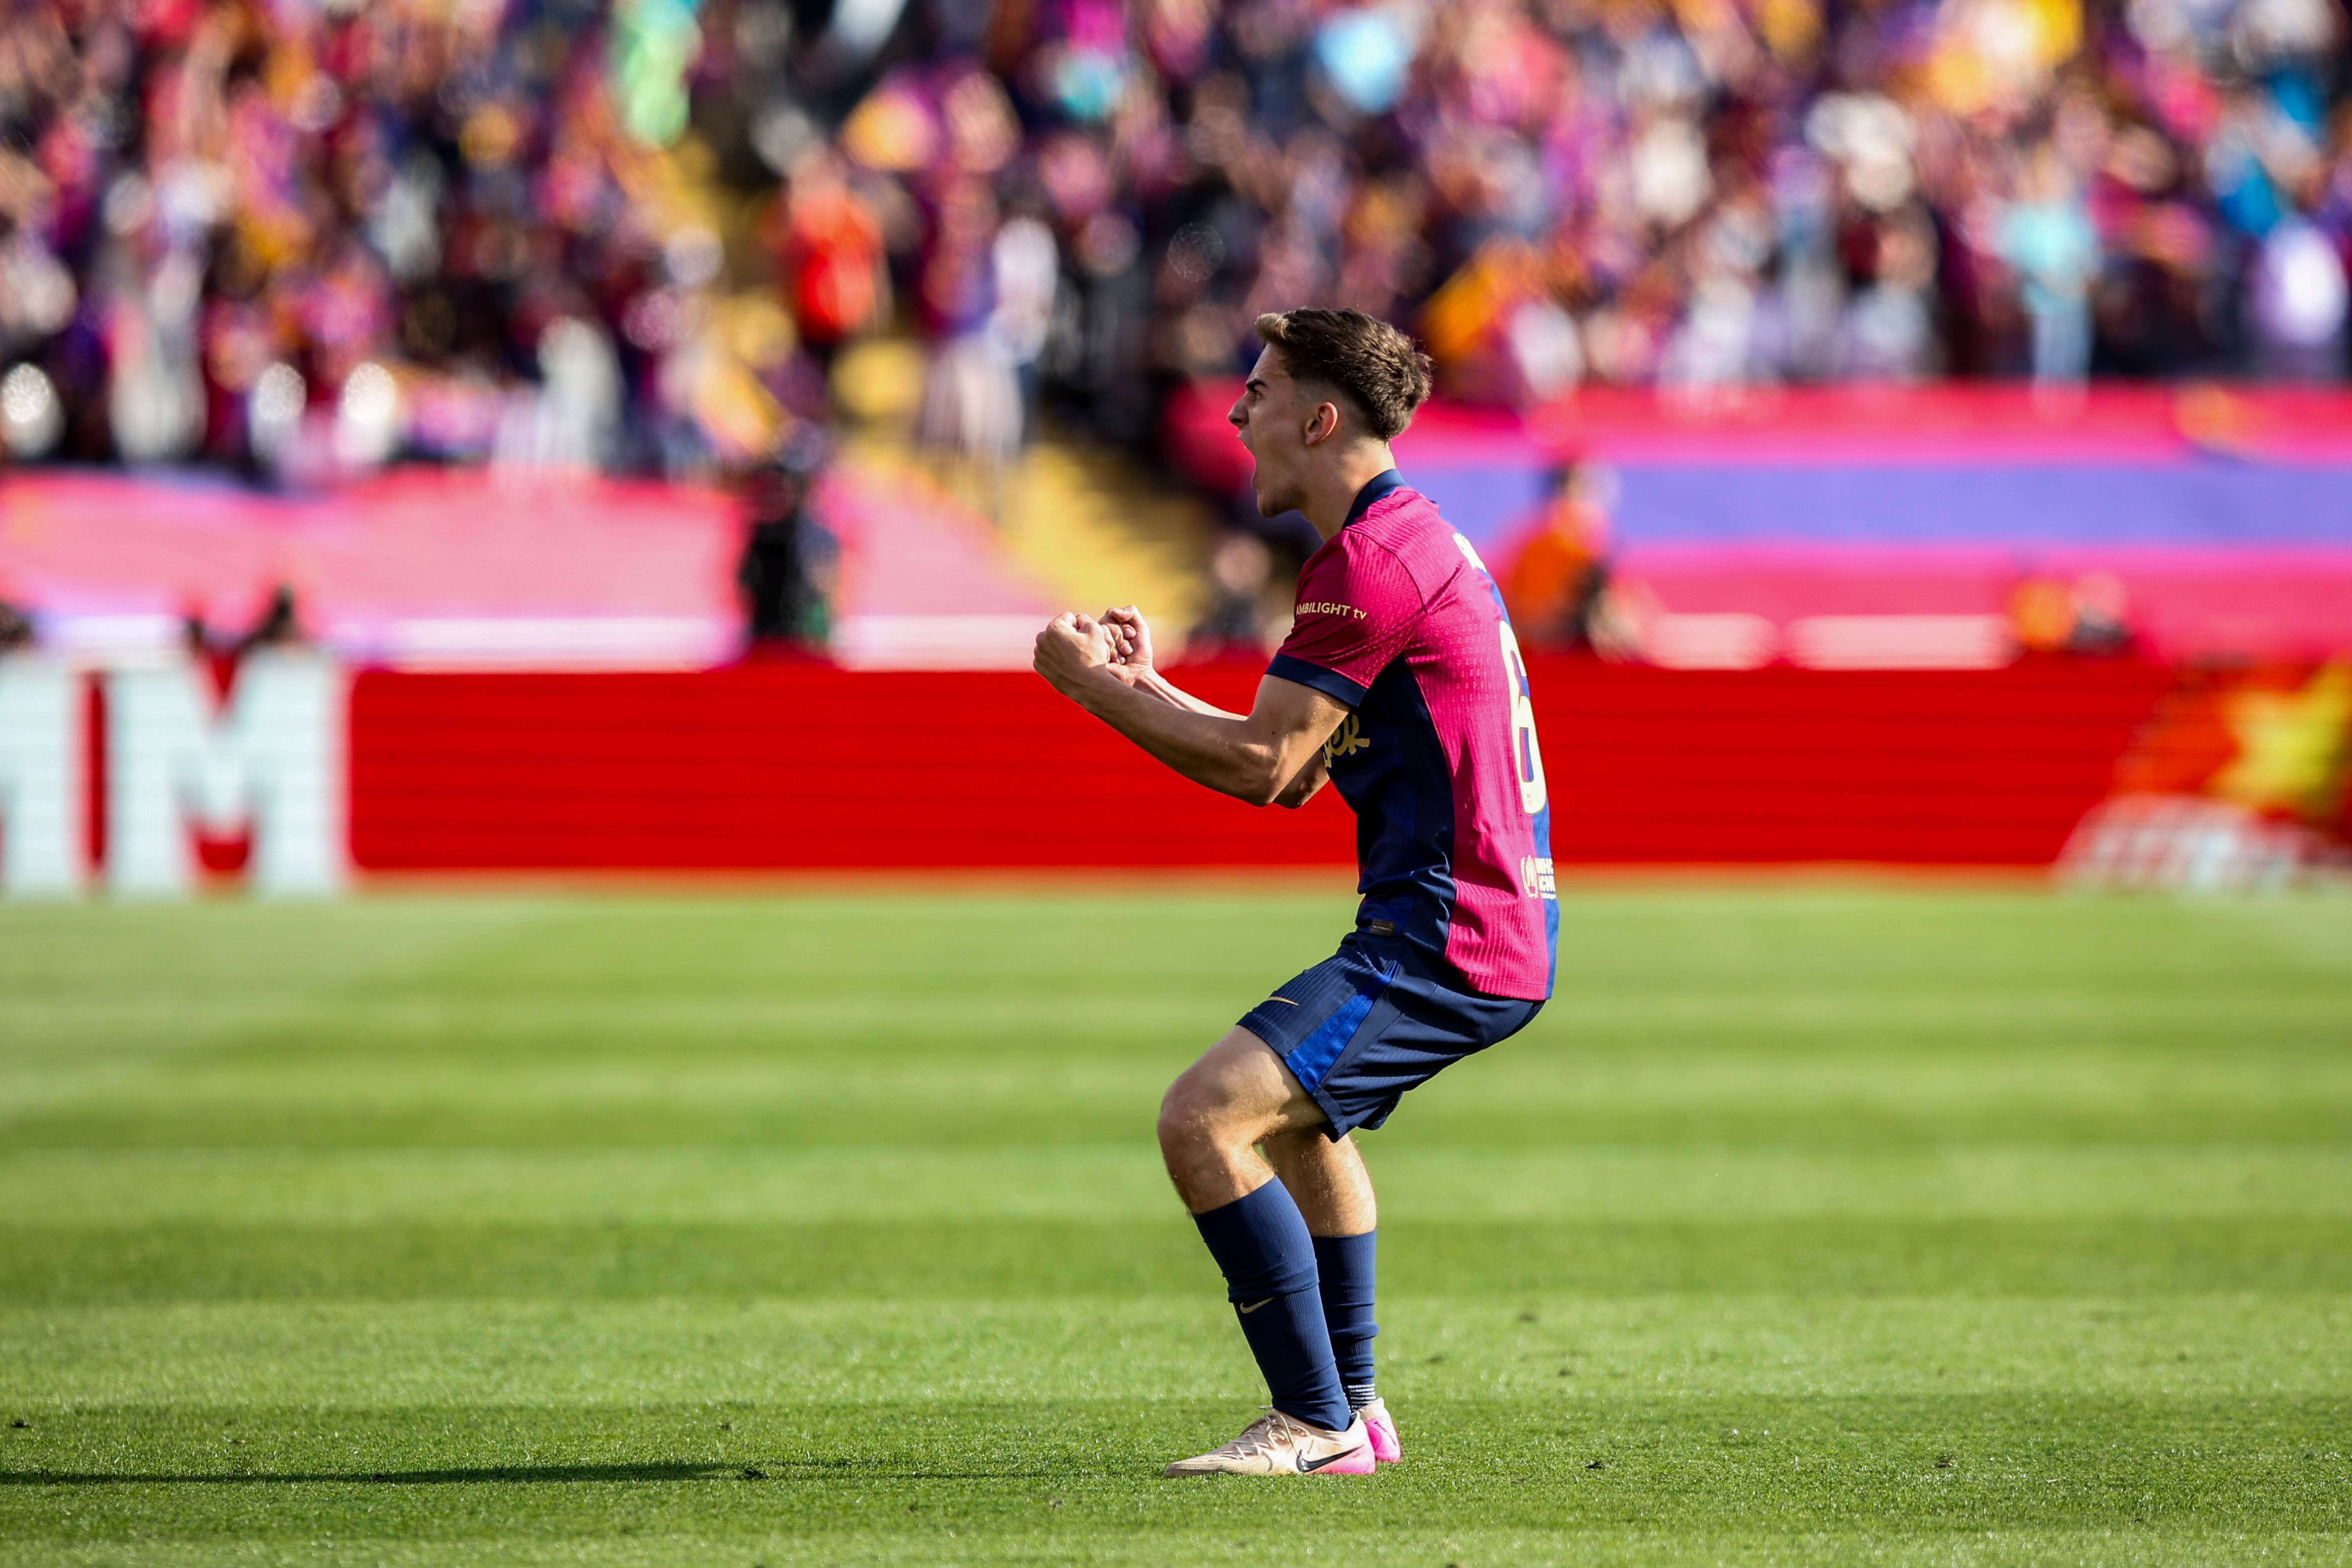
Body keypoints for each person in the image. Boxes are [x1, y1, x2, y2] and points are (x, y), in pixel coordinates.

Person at [1033, 309, 1558, 1477]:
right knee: (1297, 1123)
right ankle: (1355, 1413)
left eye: (1259, 392)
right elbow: (1305, 759)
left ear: (1321, 420)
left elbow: (1269, 771)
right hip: (1470, 917)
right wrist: (1147, 686)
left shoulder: (1369, 563)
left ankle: (1315, 1423)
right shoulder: (1408, 542)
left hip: (1447, 928)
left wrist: (1093, 693)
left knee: (1204, 1118)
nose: (1234, 412)